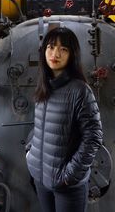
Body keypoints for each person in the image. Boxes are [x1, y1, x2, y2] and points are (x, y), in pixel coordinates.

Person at [26, 27, 103, 212]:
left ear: (72, 55)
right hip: (40, 177)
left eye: (63, 49)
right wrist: (30, 155)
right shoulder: (44, 86)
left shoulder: (80, 91)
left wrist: (70, 175)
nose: (55, 54)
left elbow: (94, 137)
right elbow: (40, 128)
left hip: (67, 185)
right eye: (51, 47)